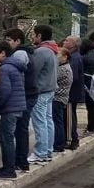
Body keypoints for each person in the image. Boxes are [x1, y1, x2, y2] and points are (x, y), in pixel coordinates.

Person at [0, 42, 27, 180]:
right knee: (6, 136)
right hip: (16, 107)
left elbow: (5, 90)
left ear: (3, 53)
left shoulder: (5, 68)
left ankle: (9, 169)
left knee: (6, 138)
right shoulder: (15, 66)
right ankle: (8, 167)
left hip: (10, 108)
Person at [4, 28, 37, 173]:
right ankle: (21, 160)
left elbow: (16, 74)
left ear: (18, 41)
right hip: (29, 94)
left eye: (9, 40)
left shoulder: (20, 54)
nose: (7, 43)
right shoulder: (27, 51)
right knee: (20, 129)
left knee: (20, 129)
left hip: (26, 95)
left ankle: (21, 161)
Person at [28, 25, 58, 164]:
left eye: (34, 34)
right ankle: (47, 151)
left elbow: (33, 71)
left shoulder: (41, 51)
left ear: (39, 36)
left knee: (40, 123)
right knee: (47, 121)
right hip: (50, 90)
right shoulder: (52, 49)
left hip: (41, 91)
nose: (33, 37)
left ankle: (40, 153)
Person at [64, 36, 85, 150]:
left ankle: (71, 140)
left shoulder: (74, 58)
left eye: (67, 40)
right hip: (72, 92)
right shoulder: (74, 56)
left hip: (71, 93)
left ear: (73, 44)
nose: (64, 42)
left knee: (69, 117)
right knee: (71, 116)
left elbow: (73, 76)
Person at [53, 48, 73, 153]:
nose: (56, 57)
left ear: (65, 57)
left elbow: (52, 78)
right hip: (60, 98)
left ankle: (58, 144)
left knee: (57, 122)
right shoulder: (63, 67)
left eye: (58, 55)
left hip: (58, 98)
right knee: (57, 121)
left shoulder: (63, 69)